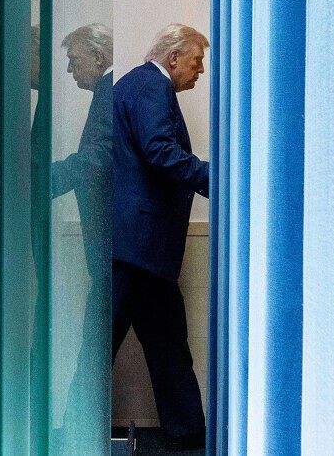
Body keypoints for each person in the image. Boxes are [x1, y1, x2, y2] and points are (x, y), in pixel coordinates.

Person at [112, 23, 209, 450]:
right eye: (197, 60)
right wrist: (216, 178)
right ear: (173, 58)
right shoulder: (152, 85)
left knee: (166, 341)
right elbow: (160, 152)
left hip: (138, 246)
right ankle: (188, 434)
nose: (200, 70)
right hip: (139, 245)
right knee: (129, 342)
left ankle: (188, 433)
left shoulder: (140, 84)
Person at [31, 23, 114, 451]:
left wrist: (46, 180)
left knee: (97, 337)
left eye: (73, 59)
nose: (67, 69)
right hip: (115, 243)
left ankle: (76, 430)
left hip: (110, 241)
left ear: (98, 58)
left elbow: (99, 157)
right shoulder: (106, 94)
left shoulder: (109, 94)